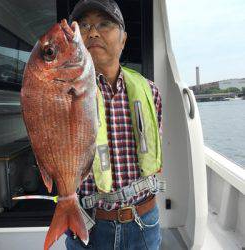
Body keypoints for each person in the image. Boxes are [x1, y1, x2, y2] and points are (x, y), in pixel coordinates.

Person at [66, 0, 164, 249]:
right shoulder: (66, 92)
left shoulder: (149, 90)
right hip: (89, 224)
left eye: (104, 24)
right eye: (84, 26)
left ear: (123, 39)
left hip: (145, 222)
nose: (93, 32)